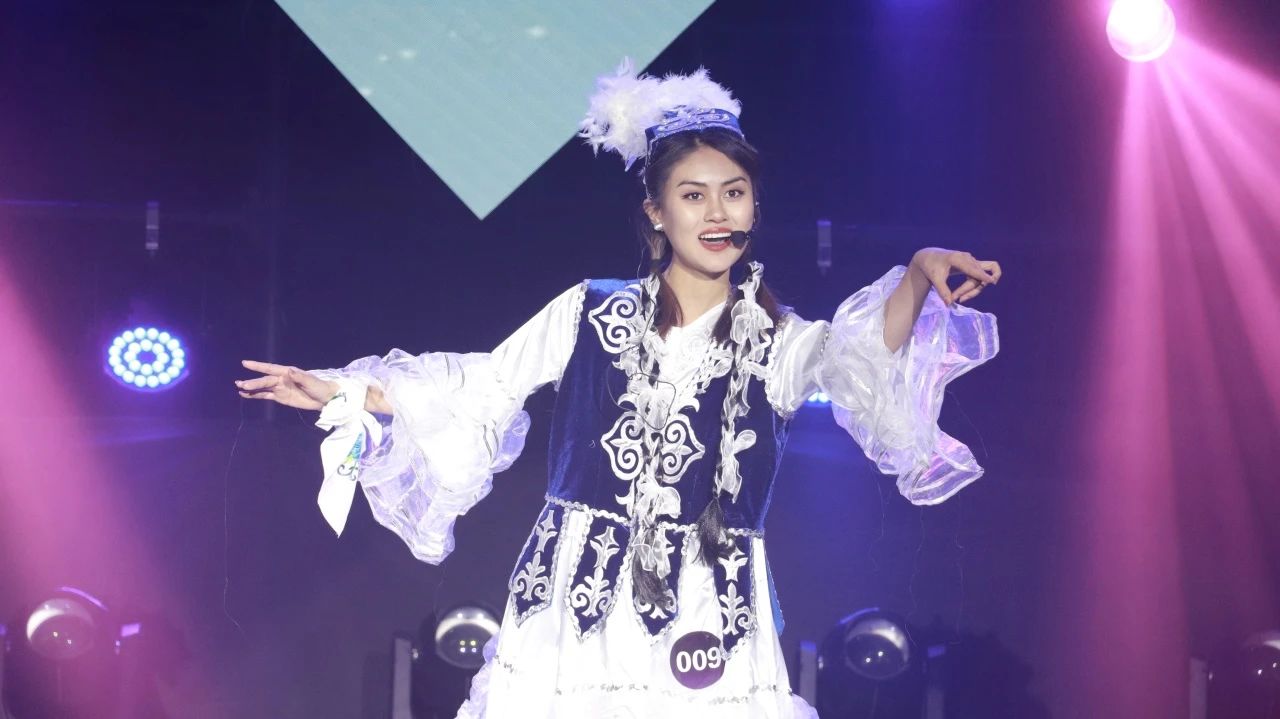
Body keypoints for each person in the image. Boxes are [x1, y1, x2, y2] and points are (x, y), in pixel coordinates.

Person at [236, 60, 1001, 718]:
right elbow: (484, 385)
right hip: (577, 603)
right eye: (694, 195)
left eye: (733, 193)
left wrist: (916, 275)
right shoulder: (590, 309)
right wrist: (350, 391)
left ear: (753, 206)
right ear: (656, 212)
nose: (717, 212)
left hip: (710, 609)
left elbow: (857, 361)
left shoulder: (777, 338)